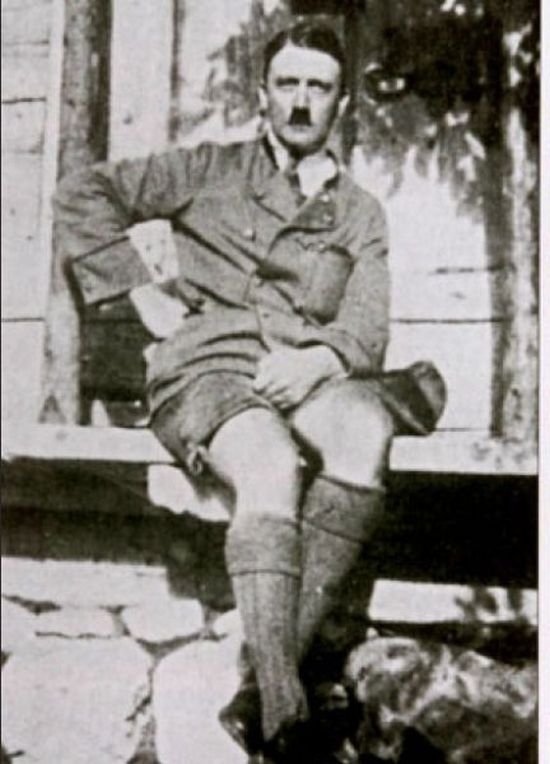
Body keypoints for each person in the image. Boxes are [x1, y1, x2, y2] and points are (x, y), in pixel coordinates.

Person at [54, 21, 445, 763]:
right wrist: (141, 294)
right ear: (263, 94)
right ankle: (286, 724)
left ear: (342, 104)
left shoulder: (359, 211)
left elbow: (366, 325)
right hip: (205, 368)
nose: (300, 102)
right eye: (287, 84)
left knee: (366, 432)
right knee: (269, 461)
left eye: (318, 88)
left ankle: (258, 697)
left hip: (303, 373)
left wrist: (320, 358)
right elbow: (83, 193)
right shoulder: (209, 168)